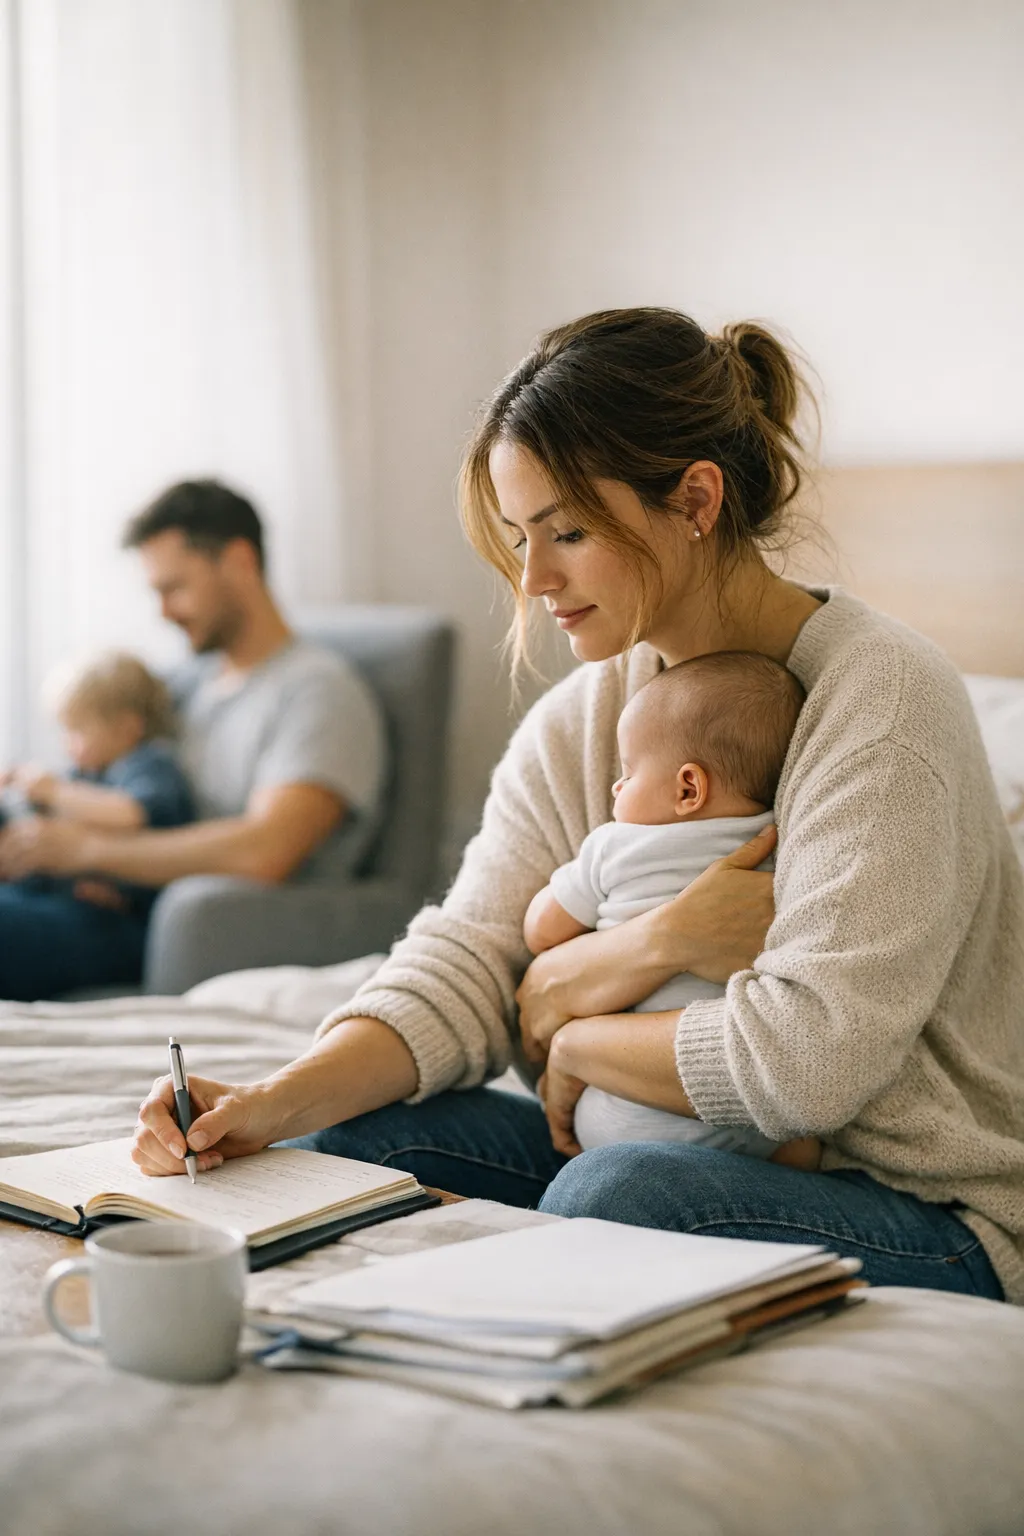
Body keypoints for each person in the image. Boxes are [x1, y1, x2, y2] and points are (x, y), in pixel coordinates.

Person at [132, 309, 1024, 1301]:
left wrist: (568, 1024)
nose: (533, 580)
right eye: (519, 537)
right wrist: (265, 1101)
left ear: (694, 500)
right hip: (664, 1144)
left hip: (918, 1204)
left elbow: (805, 1068)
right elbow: (471, 953)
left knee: (614, 1190)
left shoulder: (884, 702)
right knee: (352, 1137)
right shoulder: (588, 713)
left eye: (566, 532)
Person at [0, 480, 385, 990]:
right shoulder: (184, 687)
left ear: (240, 562)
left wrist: (88, 851)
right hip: (99, 896)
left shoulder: (318, 693)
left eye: (174, 588)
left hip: (193, 927)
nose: (163, 612)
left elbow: (266, 848)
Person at [523, 650, 818, 1169]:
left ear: (688, 787)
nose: (616, 787)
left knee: (594, 1173)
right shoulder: (781, 845)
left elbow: (541, 932)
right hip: (749, 1123)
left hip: (624, 1118)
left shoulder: (617, 847)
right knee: (806, 1145)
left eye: (629, 772)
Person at [0, 651, 195, 999]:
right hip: (65, 896)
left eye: (77, 731)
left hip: (121, 918)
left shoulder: (148, 764)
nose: (67, 745)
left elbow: (133, 813)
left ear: (126, 726)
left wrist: (56, 791)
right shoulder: (88, 774)